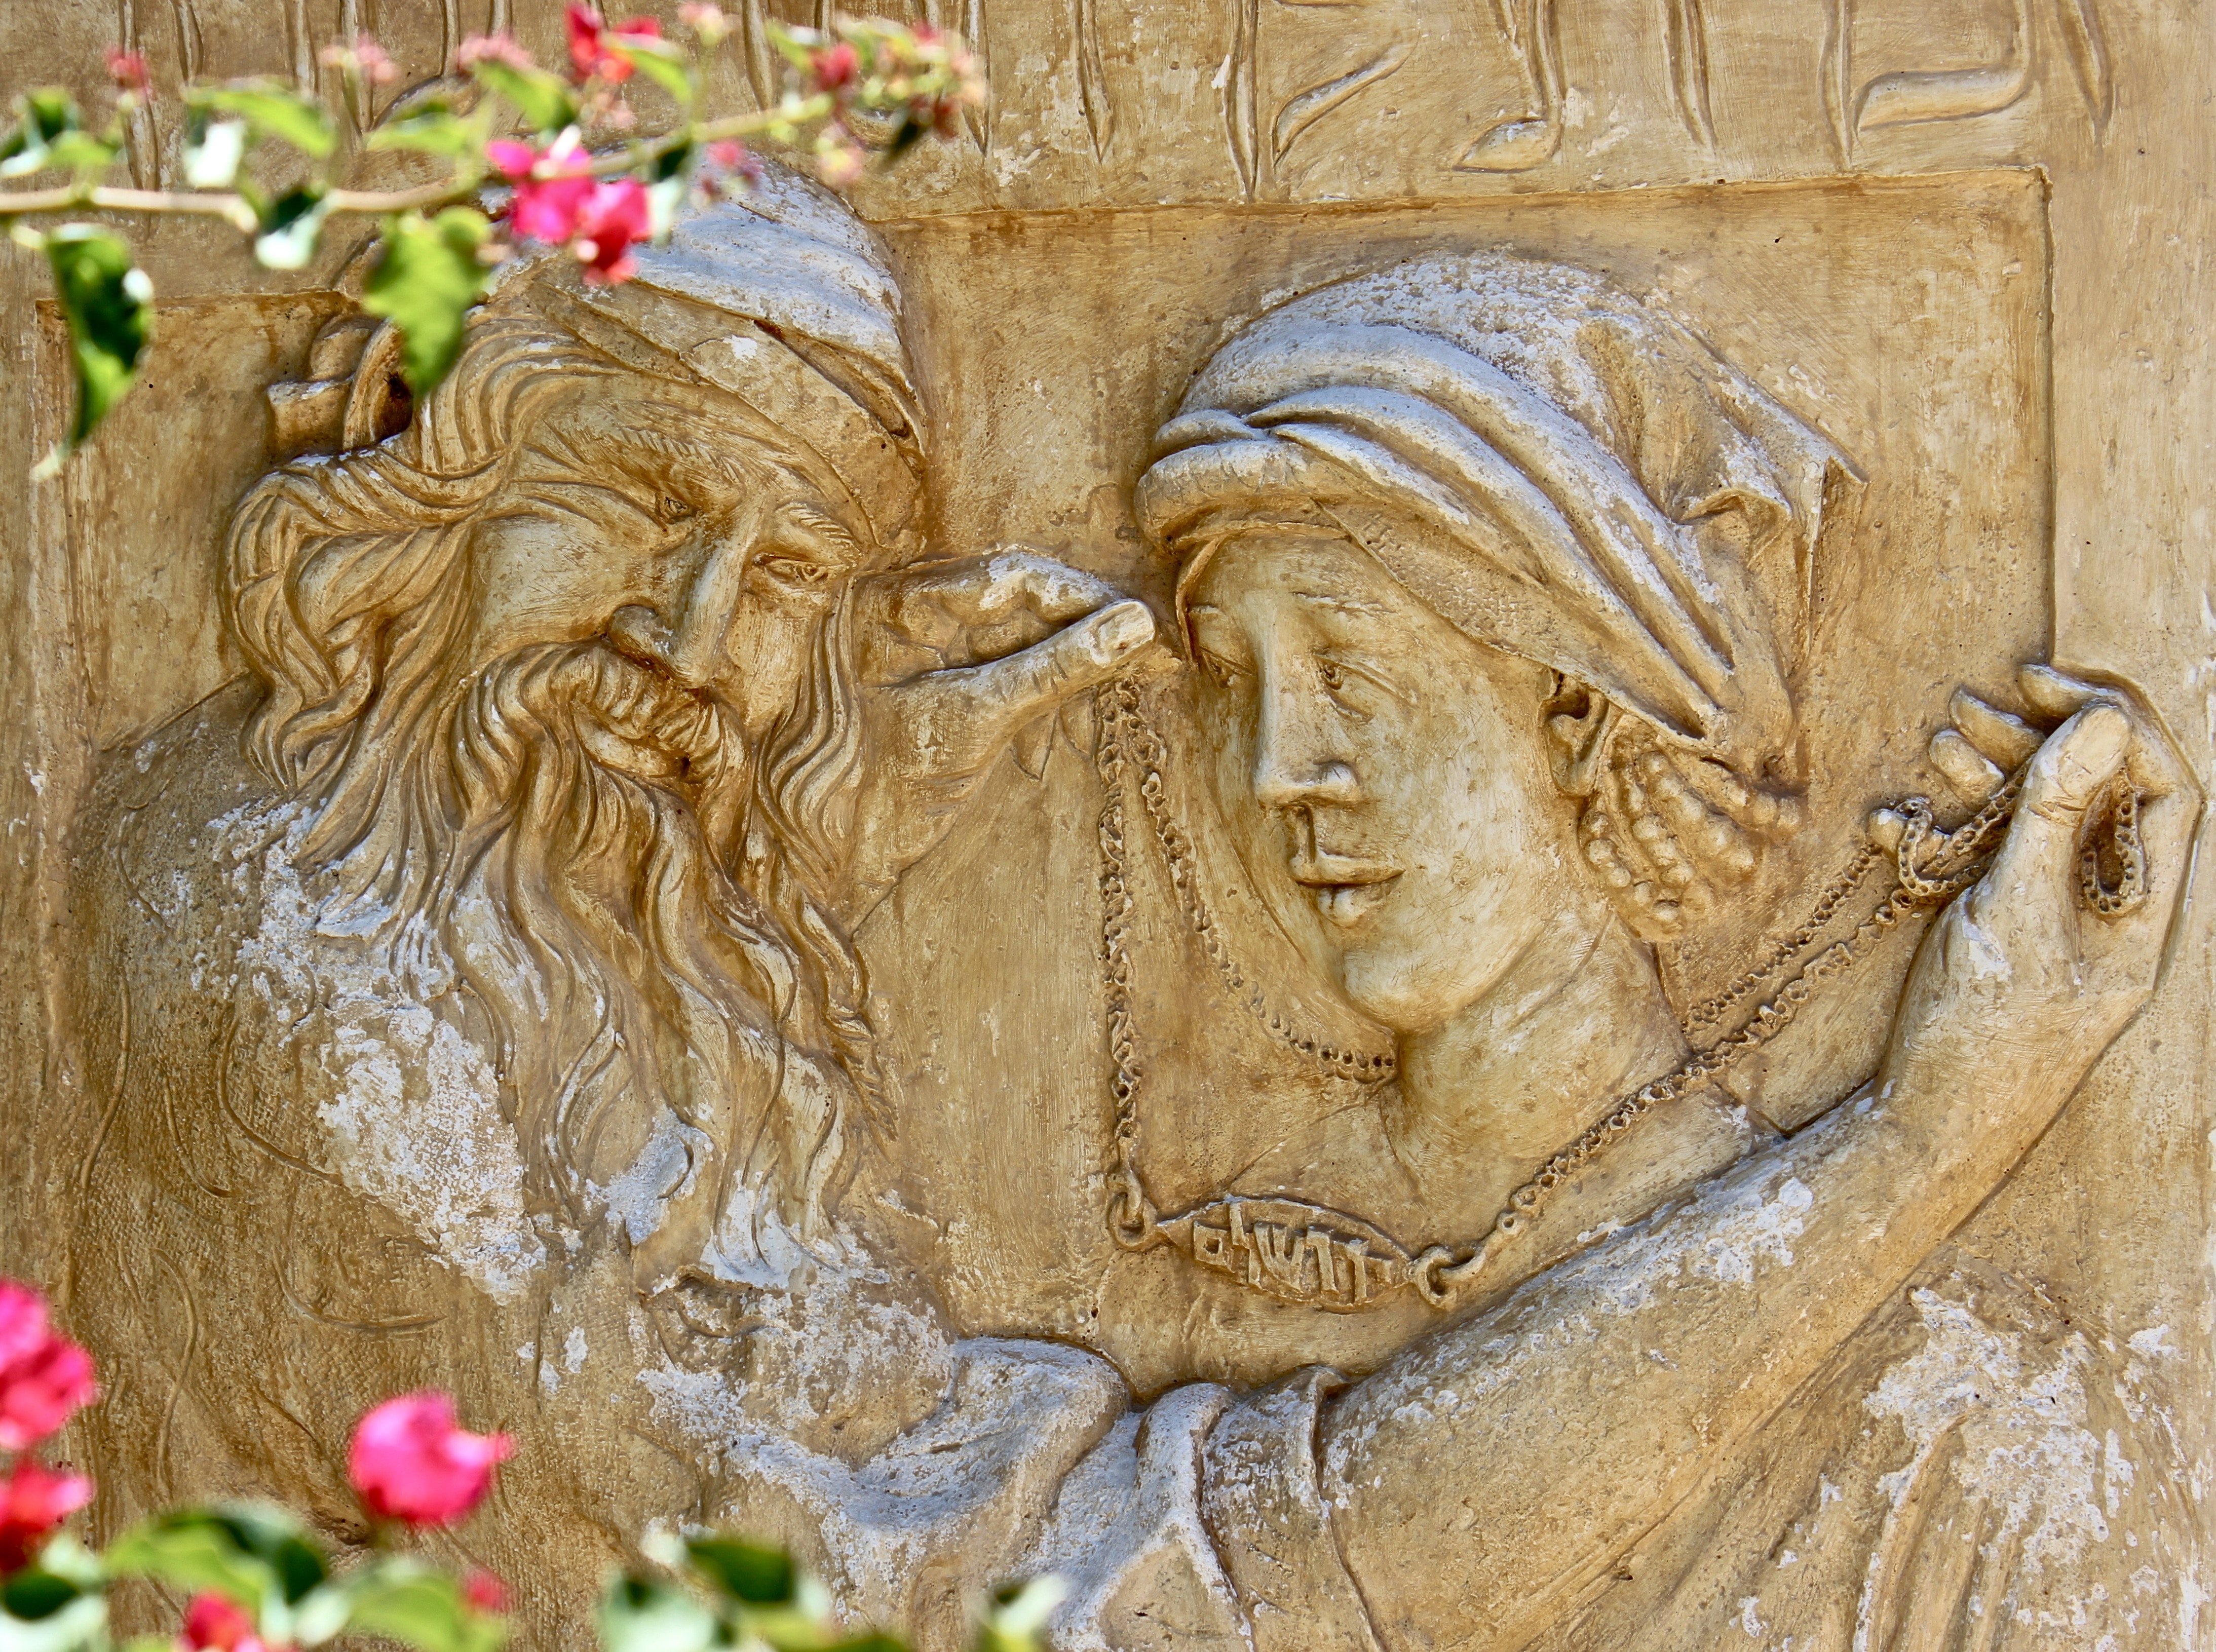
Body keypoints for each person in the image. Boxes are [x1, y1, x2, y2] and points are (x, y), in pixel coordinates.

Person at [1099, 250, 2200, 1648]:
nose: (1278, 772)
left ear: (1586, 714)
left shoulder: (1984, 1442)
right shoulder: (1204, 1278)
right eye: (1233, 679)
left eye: (1351, 675)